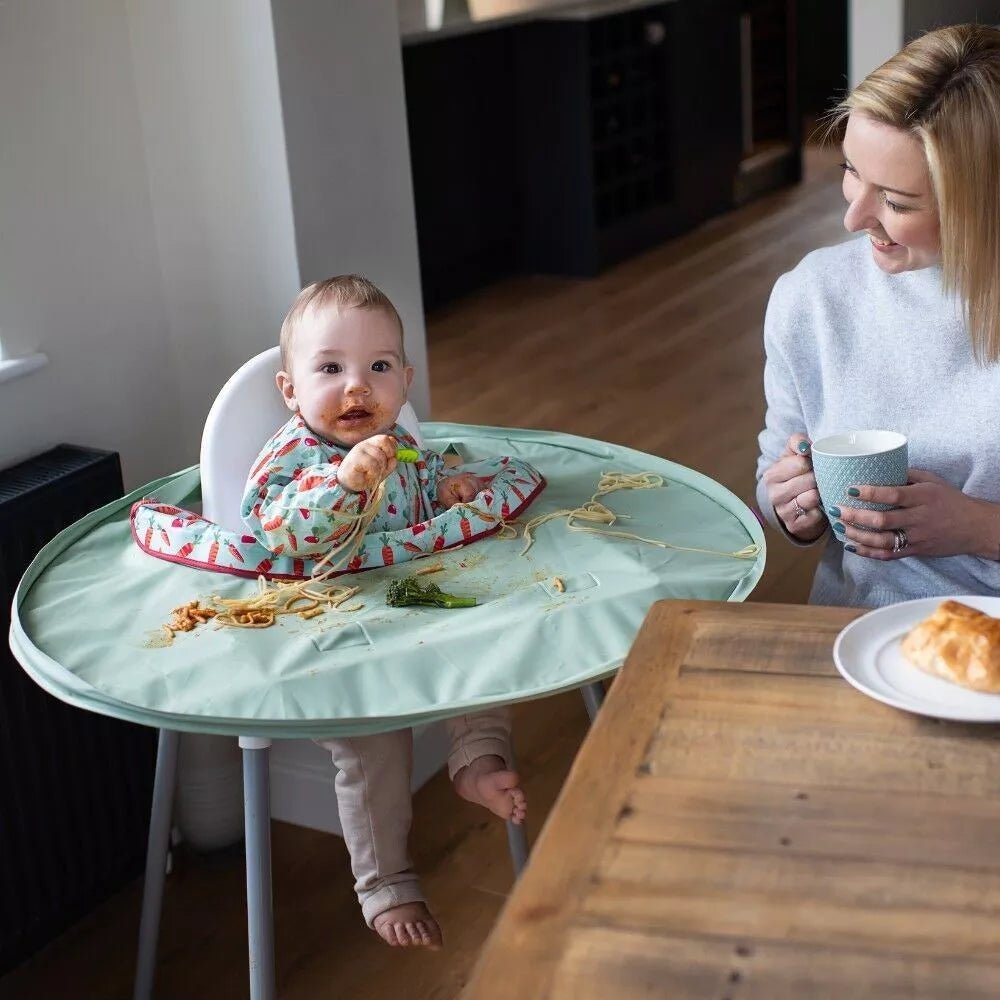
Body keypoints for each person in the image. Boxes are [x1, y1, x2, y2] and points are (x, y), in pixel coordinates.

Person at [242, 274, 527, 949]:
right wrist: (344, 484)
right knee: (374, 754)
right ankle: (386, 883)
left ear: (404, 378)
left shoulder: (398, 440)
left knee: (487, 647)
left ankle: (476, 761)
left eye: (377, 368)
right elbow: (277, 527)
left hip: (411, 607)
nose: (357, 387)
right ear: (290, 391)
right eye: (331, 368)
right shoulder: (297, 457)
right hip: (340, 635)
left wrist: (450, 490)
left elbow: (420, 487)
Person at [756, 23, 1000, 609]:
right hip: (858, 636)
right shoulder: (812, 298)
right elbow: (773, 476)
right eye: (850, 171)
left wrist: (976, 527)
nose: (854, 217)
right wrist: (793, 504)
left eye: (895, 201)